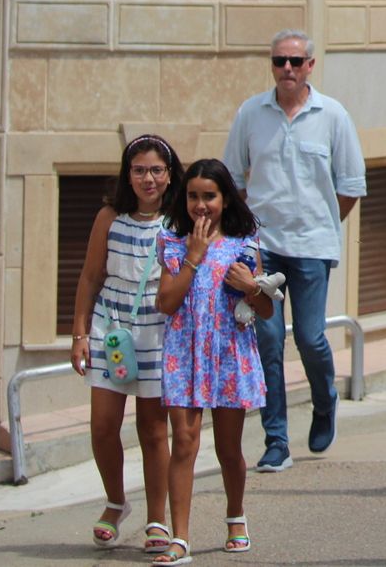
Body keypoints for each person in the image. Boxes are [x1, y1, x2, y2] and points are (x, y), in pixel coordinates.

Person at [222, 30, 366, 473]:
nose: (287, 69)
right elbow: (231, 179)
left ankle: (325, 403)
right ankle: (276, 441)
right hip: (263, 249)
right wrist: (248, 234)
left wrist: (320, 224)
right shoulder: (251, 112)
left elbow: (351, 185)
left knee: (309, 337)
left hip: (311, 248)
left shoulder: (333, 115)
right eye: (279, 61)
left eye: (295, 61)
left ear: (310, 66)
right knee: (266, 341)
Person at [152, 159, 274, 565]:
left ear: (225, 198)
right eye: (193, 196)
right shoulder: (171, 241)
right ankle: (180, 537)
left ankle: (236, 516)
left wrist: (251, 287)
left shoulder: (244, 241)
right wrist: (194, 255)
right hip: (184, 354)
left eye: (209, 196)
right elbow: (166, 302)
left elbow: (265, 311)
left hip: (227, 353)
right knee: (183, 443)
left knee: (228, 447)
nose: (200, 205)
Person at [70, 134, 182, 555]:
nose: (148, 178)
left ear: (169, 175)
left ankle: (158, 519)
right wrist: (79, 334)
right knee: (102, 425)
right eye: (139, 170)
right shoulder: (109, 215)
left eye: (156, 170)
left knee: (153, 429)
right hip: (111, 327)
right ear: (127, 174)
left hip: (158, 327)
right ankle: (116, 501)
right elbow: (90, 277)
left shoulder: (179, 219)